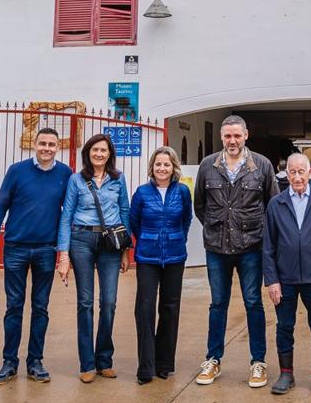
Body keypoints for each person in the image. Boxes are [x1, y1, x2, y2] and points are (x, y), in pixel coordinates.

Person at [192, 115, 278, 388]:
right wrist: (218, 228)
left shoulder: (261, 165)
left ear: (246, 135)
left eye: (237, 136)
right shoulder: (208, 166)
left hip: (251, 247)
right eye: (228, 136)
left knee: (253, 302)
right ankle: (213, 359)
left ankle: (258, 363)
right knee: (218, 304)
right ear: (221, 137)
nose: (232, 141)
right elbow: (200, 206)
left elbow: (272, 206)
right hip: (217, 248)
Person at [0, 127, 71, 385]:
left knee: (40, 307)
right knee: (14, 306)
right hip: (16, 247)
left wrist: (64, 253)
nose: (47, 148)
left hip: (46, 248)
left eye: (52, 144)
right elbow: (0, 205)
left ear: (58, 147)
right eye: (43, 143)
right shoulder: (17, 170)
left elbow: (68, 212)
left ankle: (35, 361)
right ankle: (9, 362)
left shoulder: (65, 174)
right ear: (34, 144)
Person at [56, 133, 131, 382]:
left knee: (109, 302)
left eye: (104, 150)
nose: (99, 154)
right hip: (82, 240)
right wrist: (63, 255)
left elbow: (124, 212)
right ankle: (87, 364)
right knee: (85, 302)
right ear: (88, 153)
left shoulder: (118, 180)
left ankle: (104, 360)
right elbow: (66, 217)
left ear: (110, 154)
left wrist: (125, 250)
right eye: (95, 150)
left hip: (110, 243)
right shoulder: (76, 180)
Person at [263, 153, 311, 396]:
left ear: (310, 173)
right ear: (286, 174)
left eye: (301, 172)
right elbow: (268, 247)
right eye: (292, 172)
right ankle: (286, 373)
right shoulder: (276, 204)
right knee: (285, 326)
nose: (297, 176)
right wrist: (272, 280)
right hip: (285, 278)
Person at [129, 146, 192, 384]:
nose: (162, 168)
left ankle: (164, 363)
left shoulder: (183, 192)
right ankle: (146, 366)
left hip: (175, 257)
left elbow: (187, 218)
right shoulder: (142, 192)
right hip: (147, 256)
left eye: (166, 164)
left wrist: (177, 238)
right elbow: (134, 221)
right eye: (158, 164)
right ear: (152, 167)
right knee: (144, 309)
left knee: (170, 308)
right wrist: (148, 239)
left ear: (173, 167)